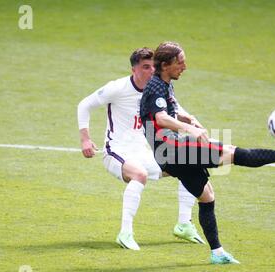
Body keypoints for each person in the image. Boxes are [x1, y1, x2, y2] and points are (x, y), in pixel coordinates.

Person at [140, 42, 275, 264]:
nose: (184, 66)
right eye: (180, 62)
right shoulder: (155, 86)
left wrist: (187, 118)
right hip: (172, 150)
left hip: (168, 155)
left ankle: (217, 253)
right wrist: (190, 129)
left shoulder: (164, 84)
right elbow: (160, 118)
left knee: (207, 196)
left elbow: (166, 111)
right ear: (165, 65)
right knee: (231, 152)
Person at [77, 47, 205, 251]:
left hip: (144, 150)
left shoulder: (157, 88)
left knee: (189, 164)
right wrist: (85, 139)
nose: (150, 71)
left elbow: (176, 111)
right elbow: (84, 105)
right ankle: (125, 233)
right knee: (139, 174)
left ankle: (183, 224)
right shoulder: (117, 88)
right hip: (116, 151)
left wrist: (192, 121)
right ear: (133, 69)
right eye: (145, 67)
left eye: (153, 66)